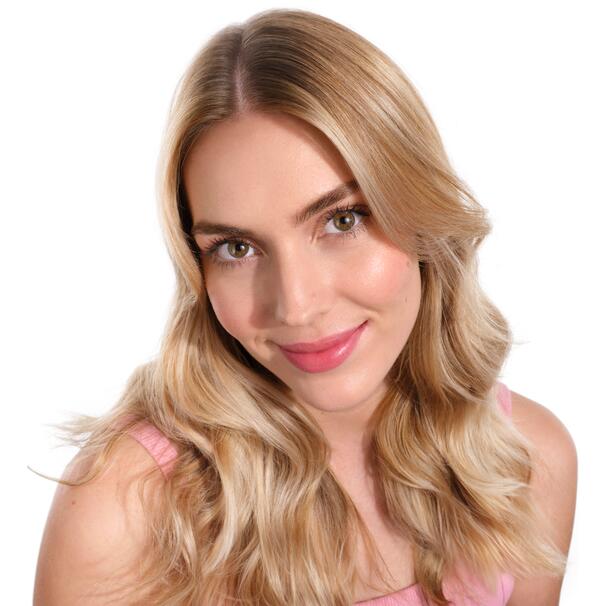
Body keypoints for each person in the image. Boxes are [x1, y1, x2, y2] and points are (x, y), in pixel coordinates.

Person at [32, 8, 577, 606]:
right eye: (236, 248)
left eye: (342, 220)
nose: (295, 304)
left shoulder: (526, 462)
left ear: (420, 211)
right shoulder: (127, 510)